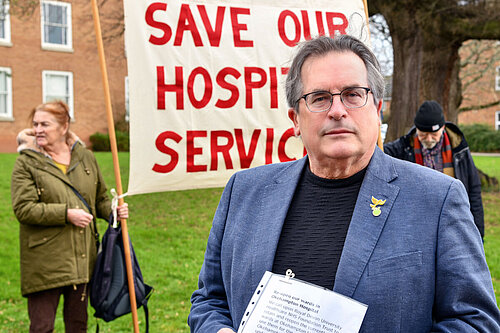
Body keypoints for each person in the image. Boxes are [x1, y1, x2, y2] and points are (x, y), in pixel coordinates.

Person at [188, 35, 500, 332]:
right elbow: (209, 300)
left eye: (353, 94)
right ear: (295, 119)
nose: (338, 111)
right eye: (319, 98)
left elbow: (475, 321)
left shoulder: (437, 199)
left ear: (377, 110)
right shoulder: (244, 191)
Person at [11, 101, 129, 332]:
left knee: (78, 325)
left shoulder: (85, 157)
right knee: (42, 327)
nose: (38, 130)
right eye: (35, 124)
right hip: (45, 262)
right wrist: (66, 214)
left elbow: (99, 198)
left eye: (45, 124)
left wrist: (113, 211)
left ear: (64, 126)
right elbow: (23, 208)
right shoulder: (26, 162)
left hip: (82, 260)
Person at [384, 100, 484, 238]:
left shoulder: (459, 149)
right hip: (417, 221)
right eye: (423, 134)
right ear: (416, 129)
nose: (429, 139)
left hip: (452, 218)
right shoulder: (404, 147)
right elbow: (378, 153)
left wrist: (478, 232)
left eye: (434, 134)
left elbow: (473, 189)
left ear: (442, 128)